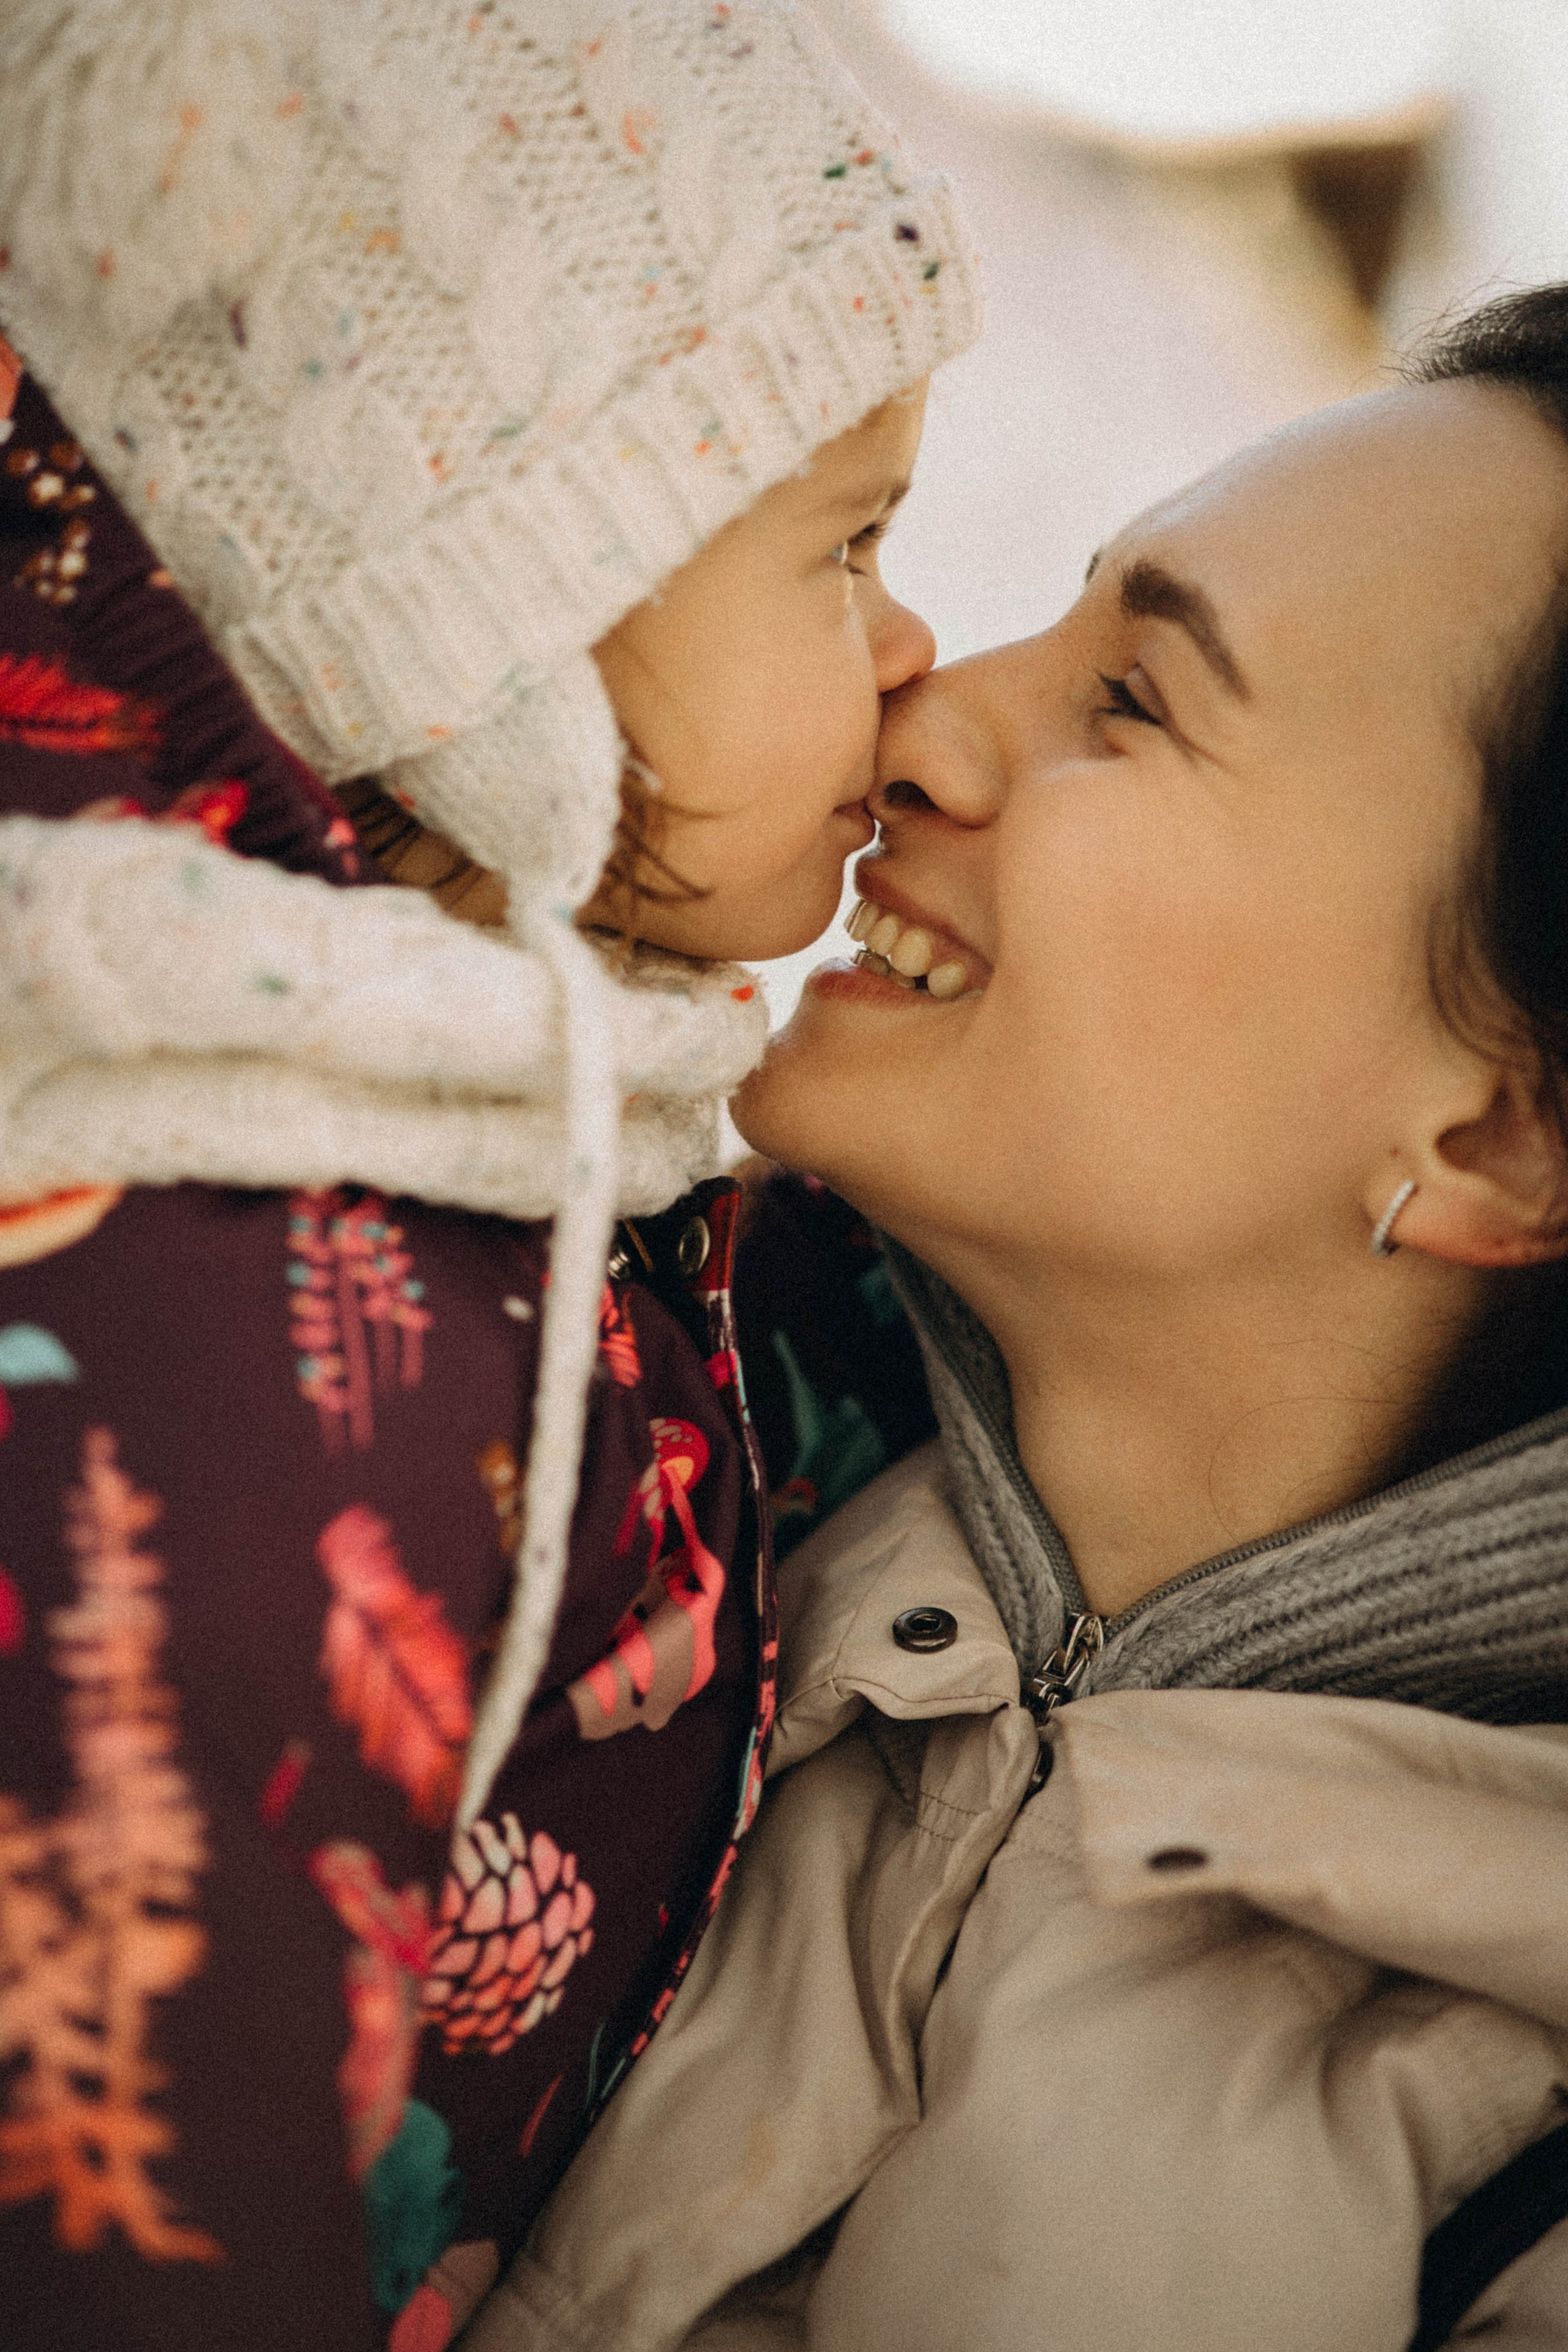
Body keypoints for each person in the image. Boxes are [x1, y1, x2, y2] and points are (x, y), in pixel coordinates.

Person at [0, 4, 978, 2347]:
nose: (919, 655)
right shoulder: (213, 1340)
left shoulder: (563, 1128)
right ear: (483, 609)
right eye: (846, 547)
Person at [482, 287, 1568, 2352]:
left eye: (1137, 700)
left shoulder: (1515, 2147)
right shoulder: (583, 1442)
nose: (920, 717)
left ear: (1503, 1133)